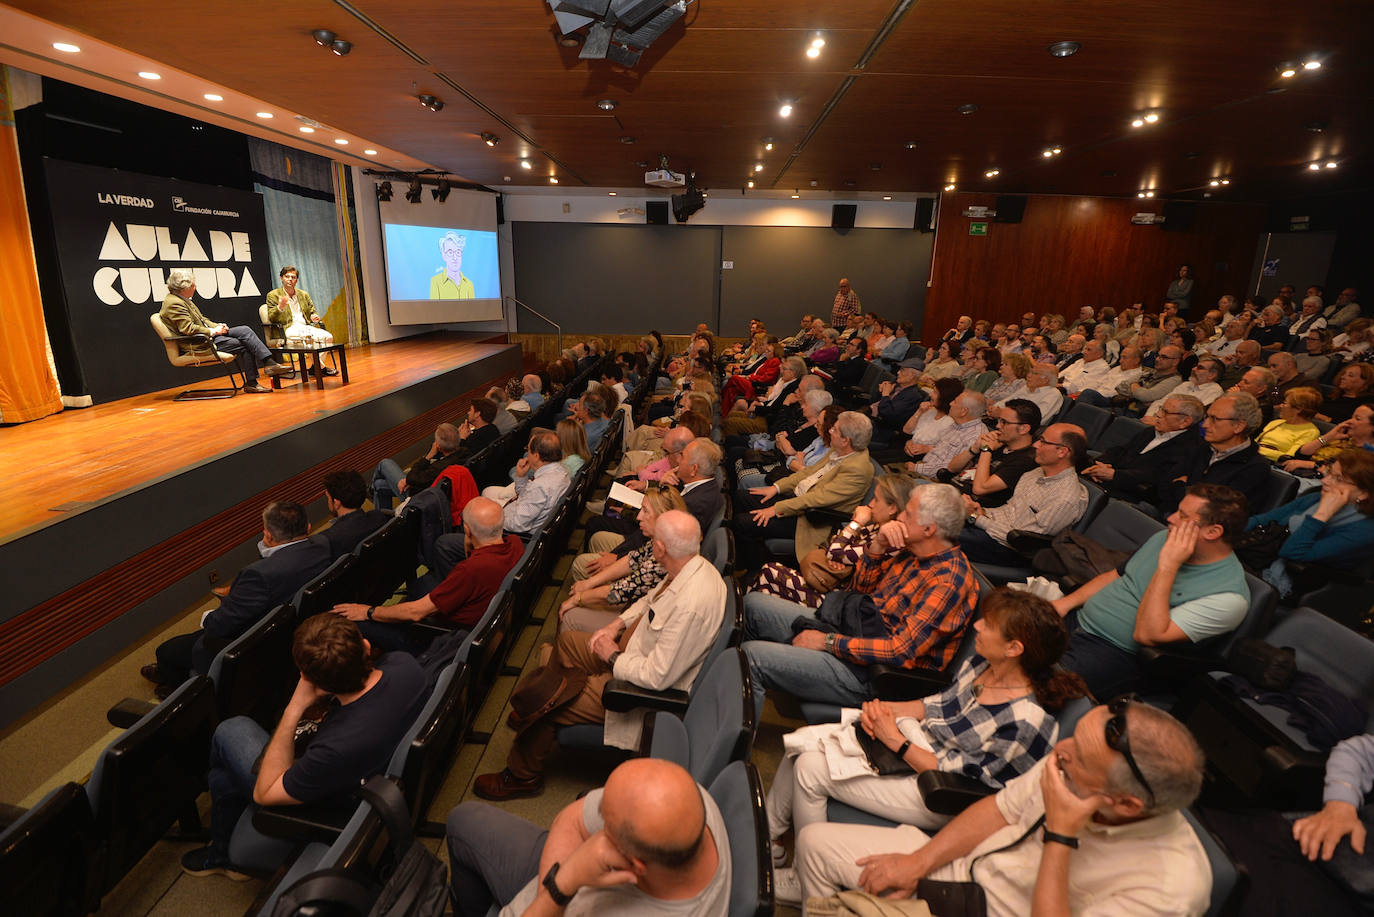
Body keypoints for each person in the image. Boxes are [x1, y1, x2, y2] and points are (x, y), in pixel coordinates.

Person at [768, 590, 1085, 903]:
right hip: (916, 751)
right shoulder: (982, 664)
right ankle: (770, 839)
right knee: (806, 741)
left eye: (988, 624)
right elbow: (935, 706)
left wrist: (895, 739)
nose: (977, 627)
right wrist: (885, 711)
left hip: (943, 794)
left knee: (811, 769)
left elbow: (965, 782)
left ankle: (801, 879)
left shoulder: (1026, 721)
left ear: (1014, 648)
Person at [796, 700, 1211, 916]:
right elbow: (998, 809)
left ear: (1126, 804)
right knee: (815, 843)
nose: (1060, 752)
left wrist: (1061, 836)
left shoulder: (1172, 887)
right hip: (958, 874)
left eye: (1078, 756)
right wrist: (918, 865)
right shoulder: (1068, 763)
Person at [474, 511, 725, 799]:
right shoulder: (688, 566)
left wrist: (612, 657)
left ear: (660, 548)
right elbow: (649, 601)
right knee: (568, 642)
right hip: (633, 651)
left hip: (635, 689)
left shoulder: (691, 604)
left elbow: (656, 677)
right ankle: (543, 704)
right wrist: (616, 624)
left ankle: (521, 775)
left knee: (551, 697)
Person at [180, 614, 425, 878]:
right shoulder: (405, 666)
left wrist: (294, 708)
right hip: (377, 770)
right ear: (365, 646)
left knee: (230, 730)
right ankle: (222, 853)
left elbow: (265, 794)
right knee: (223, 779)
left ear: (307, 678)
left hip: (336, 803)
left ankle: (220, 854)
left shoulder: (334, 748)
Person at [741, 483, 979, 714]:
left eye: (908, 513)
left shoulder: (948, 581)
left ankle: (731, 739)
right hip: (855, 631)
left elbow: (900, 652)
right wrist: (877, 546)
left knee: (752, 657)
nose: (901, 518)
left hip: (875, 674)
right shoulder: (910, 549)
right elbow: (858, 593)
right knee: (753, 606)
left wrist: (828, 642)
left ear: (929, 529)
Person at [446, 758, 730, 917]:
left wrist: (563, 885)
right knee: (463, 820)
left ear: (634, 865)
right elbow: (571, 818)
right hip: (558, 882)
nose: (597, 813)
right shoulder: (690, 800)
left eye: (606, 825)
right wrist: (552, 886)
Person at [1055, 483, 1250, 698]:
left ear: (1213, 532)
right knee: (1013, 640)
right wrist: (1063, 605)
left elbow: (1146, 634)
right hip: (1077, 622)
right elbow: (1116, 576)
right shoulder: (1164, 538)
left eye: (1183, 517)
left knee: (1034, 684)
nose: (1171, 519)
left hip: (1116, 653)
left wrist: (1168, 565)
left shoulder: (1229, 598)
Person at [144, 501, 332, 693]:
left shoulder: (259, 575)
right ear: (308, 527)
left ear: (267, 534)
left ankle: (176, 691)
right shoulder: (322, 545)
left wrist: (208, 616)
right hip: (290, 623)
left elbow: (217, 626)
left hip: (252, 639)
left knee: (166, 651)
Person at [330, 497, 524, 651]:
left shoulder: (471, 570)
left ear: (467, 530)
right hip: (483, 614)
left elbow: (416, 612)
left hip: (447, 634)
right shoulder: (515, 543)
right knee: (420, 584)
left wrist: (367, 611)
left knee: (359, 622)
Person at [750, 473, 915, 609]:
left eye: (876, 500)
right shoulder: (878, 526)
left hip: (838, 602)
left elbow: (835, 551)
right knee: (769, 576)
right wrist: (840, 554)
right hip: (834, 584)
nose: (871, 504)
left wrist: (856, 523)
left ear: (892, 508)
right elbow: (835, 542)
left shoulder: (891, 541)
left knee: (769, 573)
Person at [735, 411, 875, 565]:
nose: (829, 431)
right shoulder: (838, 450)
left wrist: (776, 508)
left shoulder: (858, 469)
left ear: (845, 441)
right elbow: (808, 472)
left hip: (810, 518)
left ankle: (751, 567)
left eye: (834, 430)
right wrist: (776, 488)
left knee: (742, 522)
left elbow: (817, 499)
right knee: (741, 496)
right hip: (796, 500)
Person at [1244, 450, 1374, 597]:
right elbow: (1262, 520)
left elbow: (1291, 552)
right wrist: (1226, 532)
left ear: (1363, 493)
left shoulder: (1365, 530)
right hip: (1260, 557)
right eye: (1329, 472)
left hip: (1301, 585)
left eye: (1338, 478)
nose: (1325, 480)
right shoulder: (1316, 497)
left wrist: (1321, 515)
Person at [559, 485, 687, 633]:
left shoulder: (666, 556)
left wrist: (579, 598)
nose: (638, 516)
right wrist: (589, 583)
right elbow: (631, 560)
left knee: (570, 614)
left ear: (663, 517)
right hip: (635, 604)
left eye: (645, 511)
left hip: (638, 622)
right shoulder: (662, 538)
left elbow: (621, 590)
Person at [960, 423, 1089, 566]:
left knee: (937, 534)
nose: (1036, 445)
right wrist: (981, 511)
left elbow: (1020, 540)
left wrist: (974, 518)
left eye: (1043, 441)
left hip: (1008, 549)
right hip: (992, 528)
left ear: (1062, 452)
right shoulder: (1036, 473)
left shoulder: (1065, 498)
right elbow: (1009, 511)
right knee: (940, 512)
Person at [159, 268, 290, 394]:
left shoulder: (182, 299)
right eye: (193, 285)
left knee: (245, 330)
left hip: (206, 336)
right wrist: (213, 331)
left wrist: (218, 326)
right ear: (184, 288)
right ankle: (254, 381)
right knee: (245, 343)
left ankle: (268, 364)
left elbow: (202, 319)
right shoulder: (174, 303)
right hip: (198, 343)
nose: (195, 288)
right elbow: (188, 329)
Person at [1083, 394, 1206, 505]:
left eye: (1165, 412)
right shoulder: (1152, 430)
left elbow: (1158, 478)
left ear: (1185, 422)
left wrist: (1115, 475)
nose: (1158, 414)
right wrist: (1100, 465)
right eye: (1160, 409)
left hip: (1134, 496)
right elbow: (1122, 450)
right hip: (1108, 479)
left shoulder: (1192, 448)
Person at [1162, 392, 1273, 514]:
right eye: (1207, 417)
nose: (1205, 425)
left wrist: (1179, 486)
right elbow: (1164, 485)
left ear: (1238, 426)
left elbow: (1212, 513)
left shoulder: (1254, 468)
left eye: (1214, 419)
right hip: (1166, 513)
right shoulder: (1201, 447)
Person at [943, 398, 1041, 508]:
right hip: (950, 492)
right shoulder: (999, 442)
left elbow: (980, 489)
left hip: (968, 508)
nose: (998, 426)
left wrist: (986, 449)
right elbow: (952, 468)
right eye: (999, 420)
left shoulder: (1026, 460)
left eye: (1004, 422)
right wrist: (975, 448)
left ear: (1024, 429)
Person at [371, 423, 464, 511]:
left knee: (385, 463)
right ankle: (383, 520)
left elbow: (412, 477)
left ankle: (371, 490)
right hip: (427, 489)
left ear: (438, 446)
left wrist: (428, 457)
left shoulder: (437, 468)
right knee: (378, 485)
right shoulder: (464, 453)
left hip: (417, 495)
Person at [264, 265, 336, 376]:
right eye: (287, 276)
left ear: (296, 280)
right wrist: (280, 307)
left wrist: (314, 316)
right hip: (287, 329)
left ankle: (315, 367)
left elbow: (312, 311)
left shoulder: (303, 294)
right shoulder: (273, 295)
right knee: (311, 340)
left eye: (293, 277)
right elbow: (272, 318)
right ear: (281, 278)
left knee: (328, 337)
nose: (290, 279)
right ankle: (321, 368)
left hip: (305, 326)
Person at [911, 391, 988, 478]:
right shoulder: (956, 424)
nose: (950, 404)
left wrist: (916, 468)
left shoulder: (976, 436)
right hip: (923, 465)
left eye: (954, 402)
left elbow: (948, 468)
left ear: (964, 411)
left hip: (935, 479)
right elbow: (940, 448)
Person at [1284, 403, 1374, 475]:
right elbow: (1301, 453)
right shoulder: (1340, 439)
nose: (1350, 421)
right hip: (1298, 471)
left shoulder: (1368, 454)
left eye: (1358, 419)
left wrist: (1311, 465)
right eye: (1352, 417)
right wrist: (1328, 437)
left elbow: (1344, 474)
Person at [320, 470, 388, 558]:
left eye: (328, 498)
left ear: (336, 503)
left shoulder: (328, 540)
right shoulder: (380, 517)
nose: (328, 503)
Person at [1257, 386, 1324, 461]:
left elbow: (1288, 457)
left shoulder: (1310, 432)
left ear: (1298, 409)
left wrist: (1257, 450)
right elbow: (1255, 443)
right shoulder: (1276, 423)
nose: (1281, 406)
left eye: (1285, 403)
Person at [430, 231, 475, 299]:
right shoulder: (435, 282)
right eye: (450, 252)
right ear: (444, 256)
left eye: (458, 252)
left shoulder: (469, 284)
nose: (455, 257)